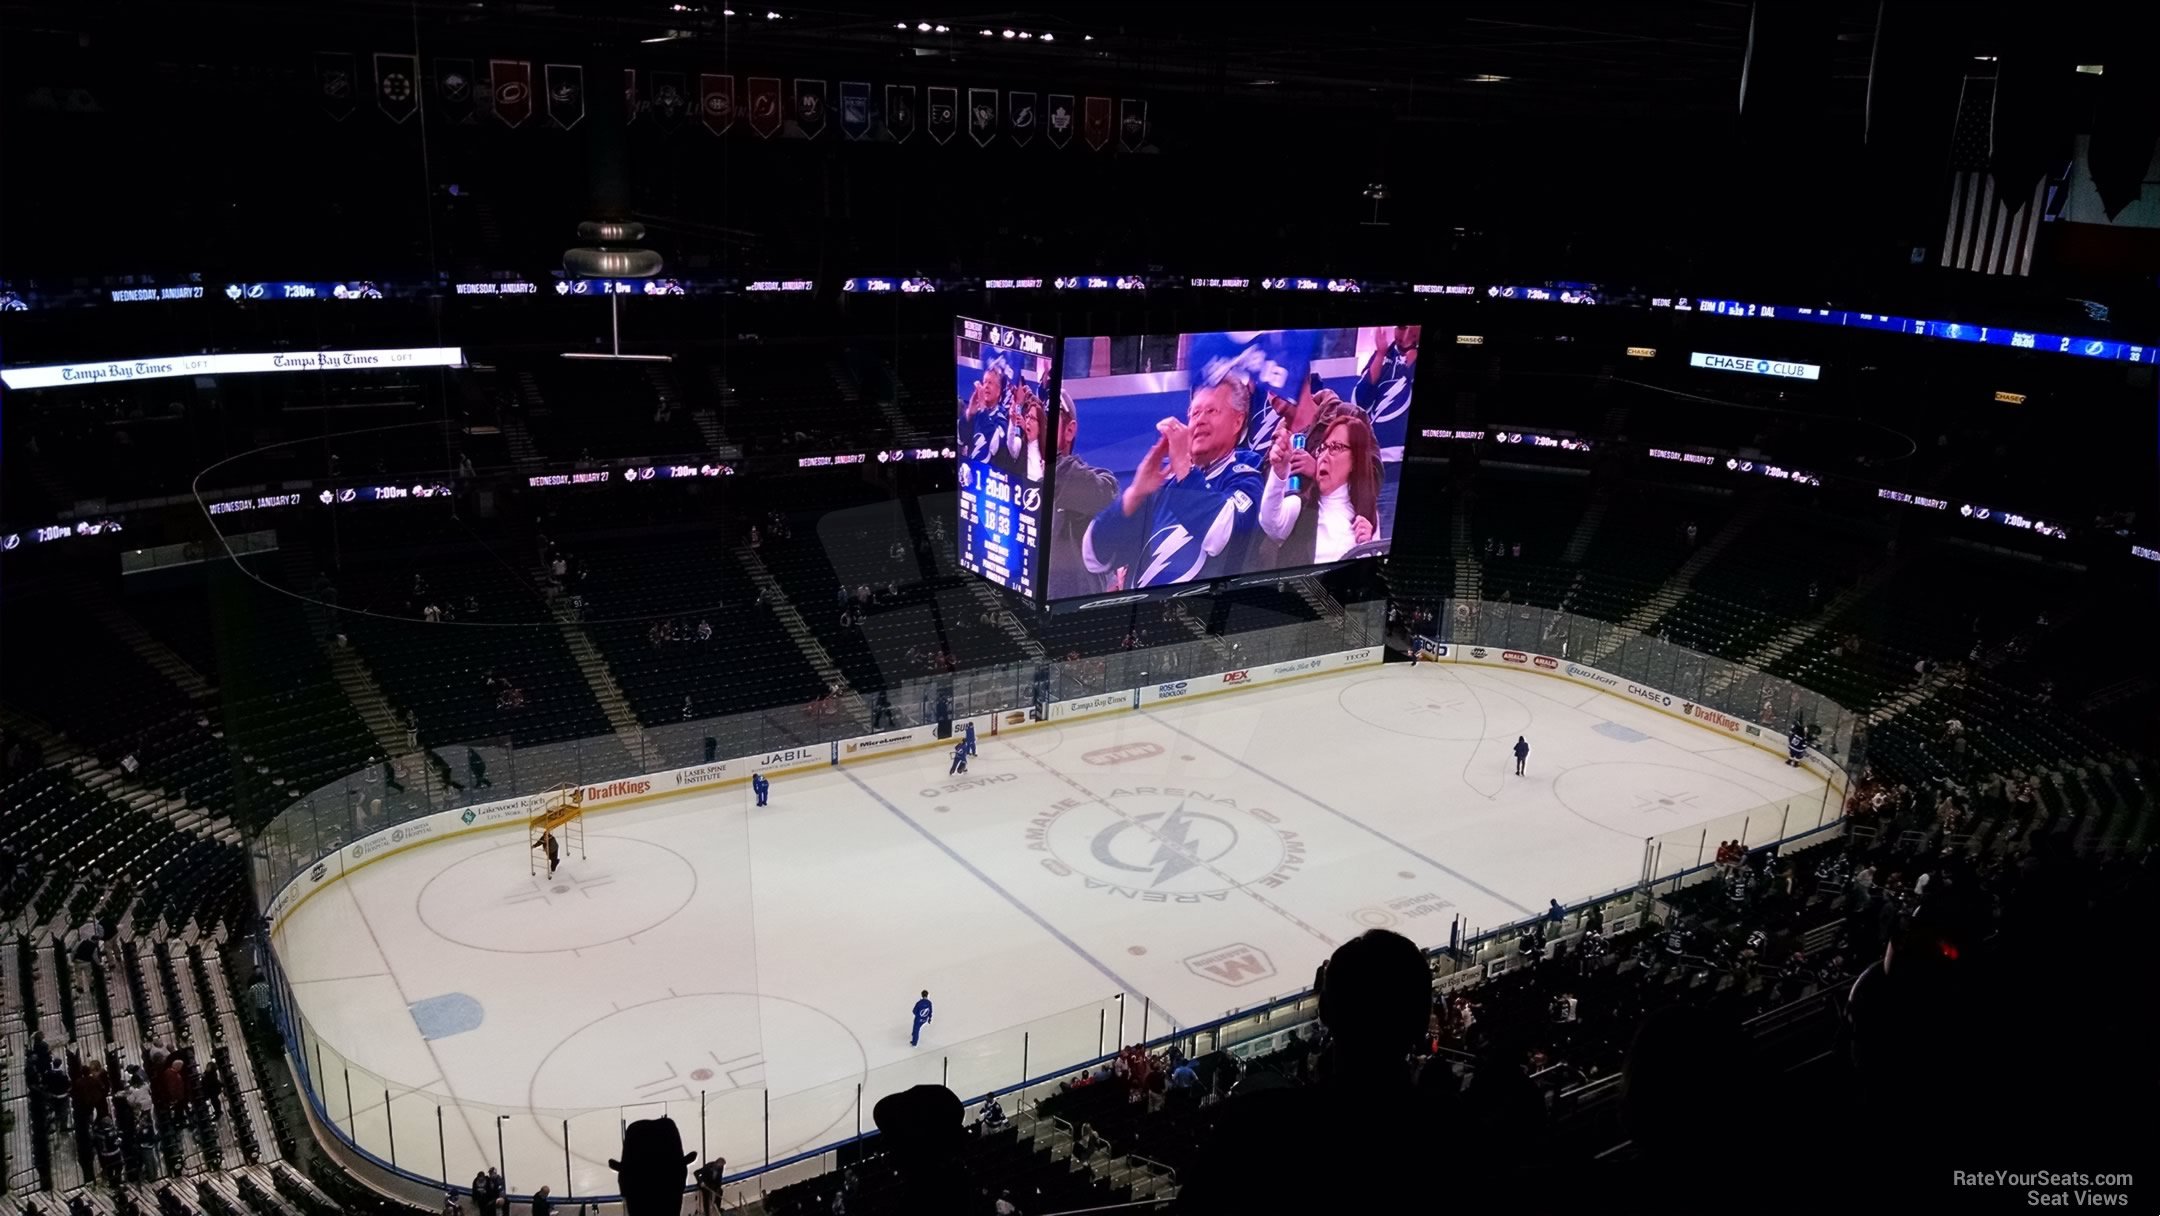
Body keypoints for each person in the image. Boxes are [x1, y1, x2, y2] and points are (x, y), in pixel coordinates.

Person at [1080, 367, 1266, 588]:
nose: (1200, 421)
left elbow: (1219, 536)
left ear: (1237, 422)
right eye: (1195, 413)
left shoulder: (1247, 477)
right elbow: (1093, 556)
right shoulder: (1164, 487)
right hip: (1138, 616)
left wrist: (1183, 468)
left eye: (1211, 411)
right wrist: (1135, 494)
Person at [1257, 395, 1385, 566]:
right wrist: (1279, 473)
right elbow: (1270, 521)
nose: (1324, 456)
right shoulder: (1301, 504)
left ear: (1355, 460)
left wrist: (1367, 548)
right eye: (1323, 448)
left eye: (1335, 448)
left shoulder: (1367, 516)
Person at [1046, 391, 1123, 598]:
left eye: (1049, 419)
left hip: (1072, 613)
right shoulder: (1021, 479)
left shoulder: (1099, 483)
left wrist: (1047, 457)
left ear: (1069, 431)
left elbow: (1103, 495)